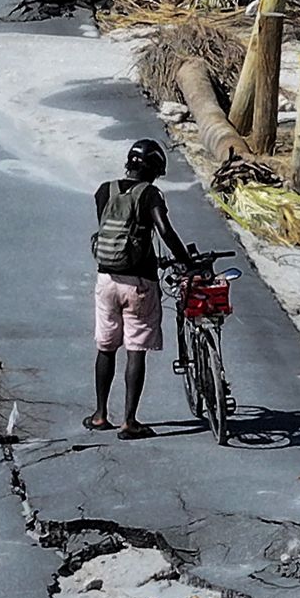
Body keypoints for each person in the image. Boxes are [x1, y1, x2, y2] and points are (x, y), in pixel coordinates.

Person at [88, 138, 193, 439]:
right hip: (139, 284)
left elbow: (111, 232)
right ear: (156, 169)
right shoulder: (150, 194)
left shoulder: (104, 191)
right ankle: (129, 421)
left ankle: (99, 415)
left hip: (106, 279)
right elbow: (164, 231)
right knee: (135, 349)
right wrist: (185, 261)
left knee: (106, 347)